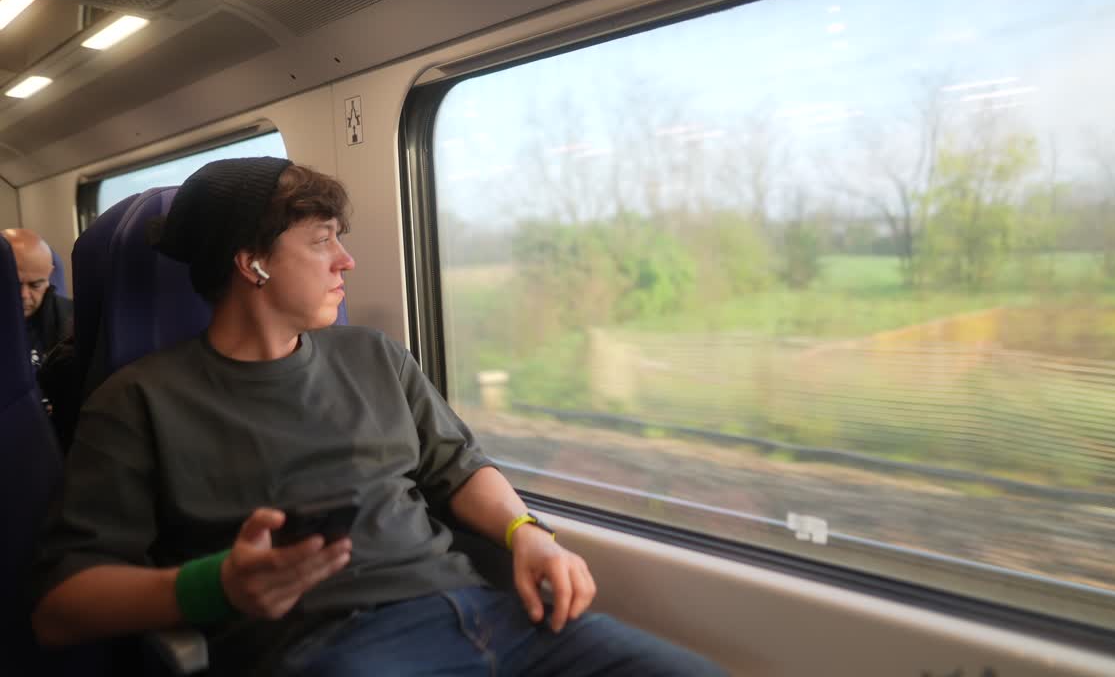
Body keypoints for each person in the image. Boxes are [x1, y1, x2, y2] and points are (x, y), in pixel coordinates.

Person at [30, 158, 723, 677]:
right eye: (321, 240)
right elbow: (62, 607)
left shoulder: (373, 355)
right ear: (252, 264)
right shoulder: (137, 401)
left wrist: (529, 535)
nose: (346, 260)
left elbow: (459, 466)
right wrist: (218, 585)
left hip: (494, 617)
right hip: (335, 647)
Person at [1, 228, 72, 374]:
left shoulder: (73, 321)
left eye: (35, 285)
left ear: (49, 274)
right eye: (13, 284)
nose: (23, 295)